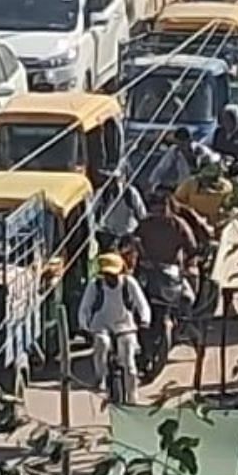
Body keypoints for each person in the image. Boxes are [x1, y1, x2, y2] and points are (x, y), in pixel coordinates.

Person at [78, 253, 149, 405]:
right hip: (101, 325)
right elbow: (85, 308)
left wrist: (145, 320)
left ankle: (132, 397)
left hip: (125, 325)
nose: (110, 278)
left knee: (129, 364)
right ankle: (101, 377)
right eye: (107, 274)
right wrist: (85, 326)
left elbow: (141, 303)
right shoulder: (95, 285)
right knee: (101, 343)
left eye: (113, 274)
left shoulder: (129, 283)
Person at [172, 161, 238, 234]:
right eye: (207, 178)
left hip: (215, 222)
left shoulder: (226, 187)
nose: (209, 182)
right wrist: (194, 216)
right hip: (191, 221)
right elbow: (176, 202)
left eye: (213, 178)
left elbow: (226, 206)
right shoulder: (189, 185)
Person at [96, 174, 147, 252]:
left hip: (128, 238)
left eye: (116, 179)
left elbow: (142, 215)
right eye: (110, 179)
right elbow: (92, 215)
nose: (113, 184)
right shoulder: (102, 193)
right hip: (108, 237)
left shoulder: (130, 192)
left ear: (123, 179)